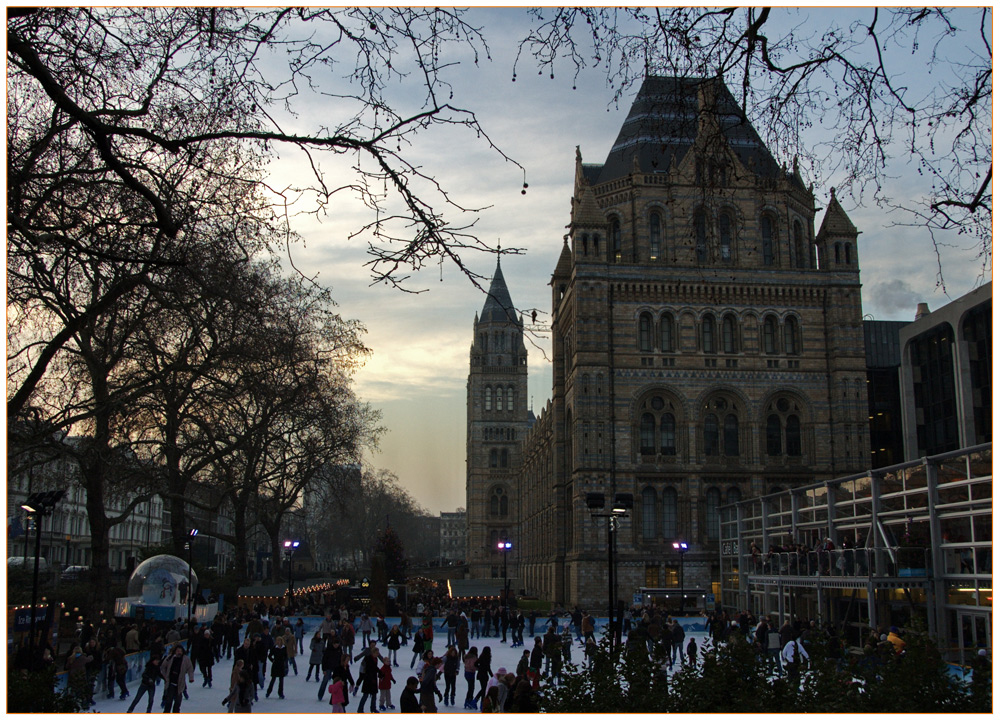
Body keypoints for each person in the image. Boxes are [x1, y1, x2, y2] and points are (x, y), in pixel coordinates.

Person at [160, 644, 195, 713]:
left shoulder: (186, 659)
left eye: (180, 651)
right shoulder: (170, 658)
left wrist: (191, 678)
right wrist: (165, 676)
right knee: (169, 701)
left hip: (180, 683)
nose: (179, 652)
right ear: (175, 651)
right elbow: (163, 667)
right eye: (177, 651)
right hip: (170, 683)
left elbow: (190, 669)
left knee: (178, 701)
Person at [265, 635, 288, 699]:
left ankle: (281, 693)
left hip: (281, 665)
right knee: (273, 679)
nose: (278, 642)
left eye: (279, 640)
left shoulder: (284, 648)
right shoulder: (274, 648)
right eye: (277, 640)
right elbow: (269, 656)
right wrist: (273, 660)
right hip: (275, 665)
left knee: (281, 680)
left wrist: (284, 662)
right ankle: (268, 692)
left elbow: (286, 656)